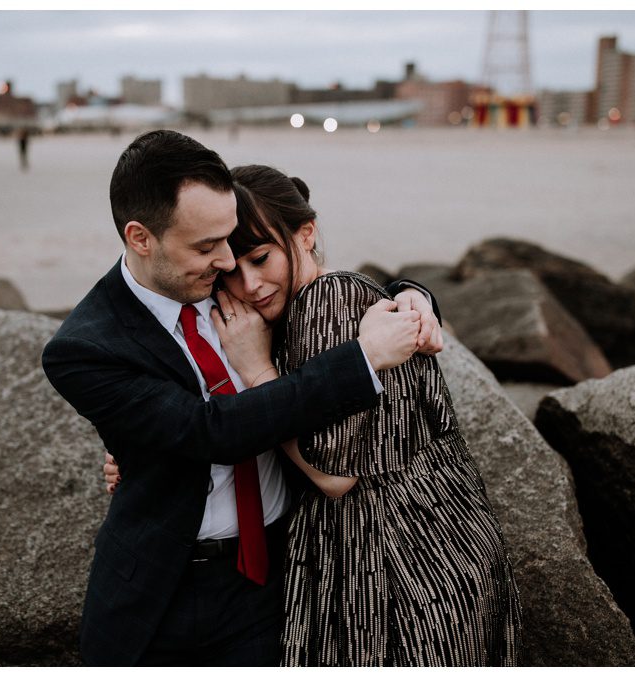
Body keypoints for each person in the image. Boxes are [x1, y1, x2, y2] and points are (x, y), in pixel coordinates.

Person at [39, 129, 445, 667]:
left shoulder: (231, 285)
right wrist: (362, 359)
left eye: (228, 239)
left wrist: (411, 296)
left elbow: (317, 286)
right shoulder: (86, 347)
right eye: (206, 247)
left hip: (275, 578)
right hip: (164, 589)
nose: (229, 262)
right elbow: (211, 430)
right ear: (141, 238)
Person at [209, 165, 519, 665]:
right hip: (435, 546)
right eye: (230, 269)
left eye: (261, 257)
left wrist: (258, 371)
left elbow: (333, 477)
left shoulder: (324, 302)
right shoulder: (339, 295)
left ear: (305, 233)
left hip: (397, 571)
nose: (249, 283)